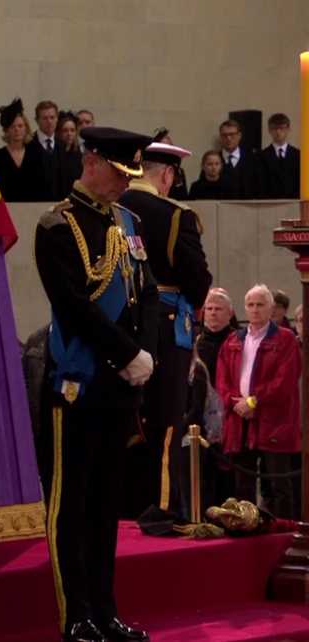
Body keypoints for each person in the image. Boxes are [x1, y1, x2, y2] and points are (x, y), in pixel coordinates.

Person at [34, 126, 156, 642]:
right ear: (91, 162)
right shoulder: (57, 226)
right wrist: (127, 354)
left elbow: (146, 296)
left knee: (107, 507)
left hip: (118, 389)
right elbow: (73, 306)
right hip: (76, 386)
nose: (125, 185)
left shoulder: (128, 222)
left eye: (132, 175)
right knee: (72, 506)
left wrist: (144, 356)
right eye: (120, 173)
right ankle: (77, 615)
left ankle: (106, 611)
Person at [118, 142, 212, 518]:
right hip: (165, 331)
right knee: (166, 423)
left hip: (118, 329)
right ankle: (161, 509)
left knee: (126, 421)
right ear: (168, 175)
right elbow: (198, 281)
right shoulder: (175, 215)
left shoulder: (111, 209)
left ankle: (123, 508)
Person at [215, 285, 302, 518]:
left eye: (260, 304)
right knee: (243, 484)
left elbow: (285, 380)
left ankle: (284, 535)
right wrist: (234, 403)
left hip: (274, 421)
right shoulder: (234, 340)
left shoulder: (285, 339)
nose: (254, 309)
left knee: (277, 485)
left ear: (271, 308)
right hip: (240, 420)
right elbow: (222, 378)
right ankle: (248, 530)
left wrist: (253, 402)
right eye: (250, 305)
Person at [0, 98, 47, 202]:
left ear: (26, 128)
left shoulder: (38, 154)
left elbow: (44, 187)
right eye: (12, 126)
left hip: (33, 208)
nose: (17, 130)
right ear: (6, 130)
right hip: (6, 209)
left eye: (20, 126)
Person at [197, 288, 236, 387]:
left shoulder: (239, 340)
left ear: (230, 313)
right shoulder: (195, 342)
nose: (213, 313)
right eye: (209, 309)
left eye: (218, 309)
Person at [217, 119, 263, 199]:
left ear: (239, 136)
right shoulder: (213, 160)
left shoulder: (252, 159)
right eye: (224, 135)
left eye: (232, 134)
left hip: (247, 207)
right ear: (220, 137)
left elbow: (259, 187)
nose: (228, 138)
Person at [260, 113, 299, 199]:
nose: (278, 132)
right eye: (274, 128)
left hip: (293, 203)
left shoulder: (298, 155)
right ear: (269, 130)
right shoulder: (261, 156)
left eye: (282, 128)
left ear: (288, 129)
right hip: (269, 203)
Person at [30, 100, 63, 199]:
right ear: (37, 120)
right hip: (34, 204)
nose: (49, 121)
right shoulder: (27, 145)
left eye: (52, 117)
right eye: (44, 118)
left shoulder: (63, 146)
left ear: (57, 119)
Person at [54, 111, 83, 195]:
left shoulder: (78, 155)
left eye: (72, 130)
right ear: (58, 133)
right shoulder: (54, 155)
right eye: (65, 131)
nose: (69, 134)